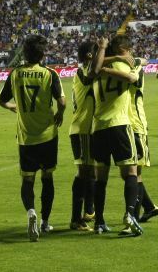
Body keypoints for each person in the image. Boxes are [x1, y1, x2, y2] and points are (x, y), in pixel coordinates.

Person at [0, 35, 66, 242]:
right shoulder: (49, 74)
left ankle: (31, 213)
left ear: (25, 53)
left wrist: (14, 108)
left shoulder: (16, 74)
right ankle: (45, 222)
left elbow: (2, 101)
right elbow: (62, 102)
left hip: (26, 136)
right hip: (47, 134)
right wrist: (60, 114)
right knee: (47, 177)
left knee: (28, 179)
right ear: (43, 54)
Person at [89, 35, 143, 236]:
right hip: (120, 125)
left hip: (99, 127)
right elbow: (133, 78)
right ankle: (130, 217)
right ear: (123, 49)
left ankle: (99, 221)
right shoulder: (124, 67)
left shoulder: (95, 71)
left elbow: (94, 68)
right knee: (131, 172)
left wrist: (105, 65)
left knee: (100, 177)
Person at [128, 56, 158, 225]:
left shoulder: (135, 70)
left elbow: (141, 62)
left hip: (136, 126)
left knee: (135, 173)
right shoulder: (133, 66)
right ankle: (149, 207)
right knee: (129, 173)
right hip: (127, 125)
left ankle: (135, 217)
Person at [68, 41, 97, 232]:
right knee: (83, 172)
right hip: (82, 129)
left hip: (88, 129)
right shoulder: (83, 71)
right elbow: (90, 78)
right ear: (89, 56)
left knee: (91, 172)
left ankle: (88, 211)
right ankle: (76, 218)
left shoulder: (84, 70)